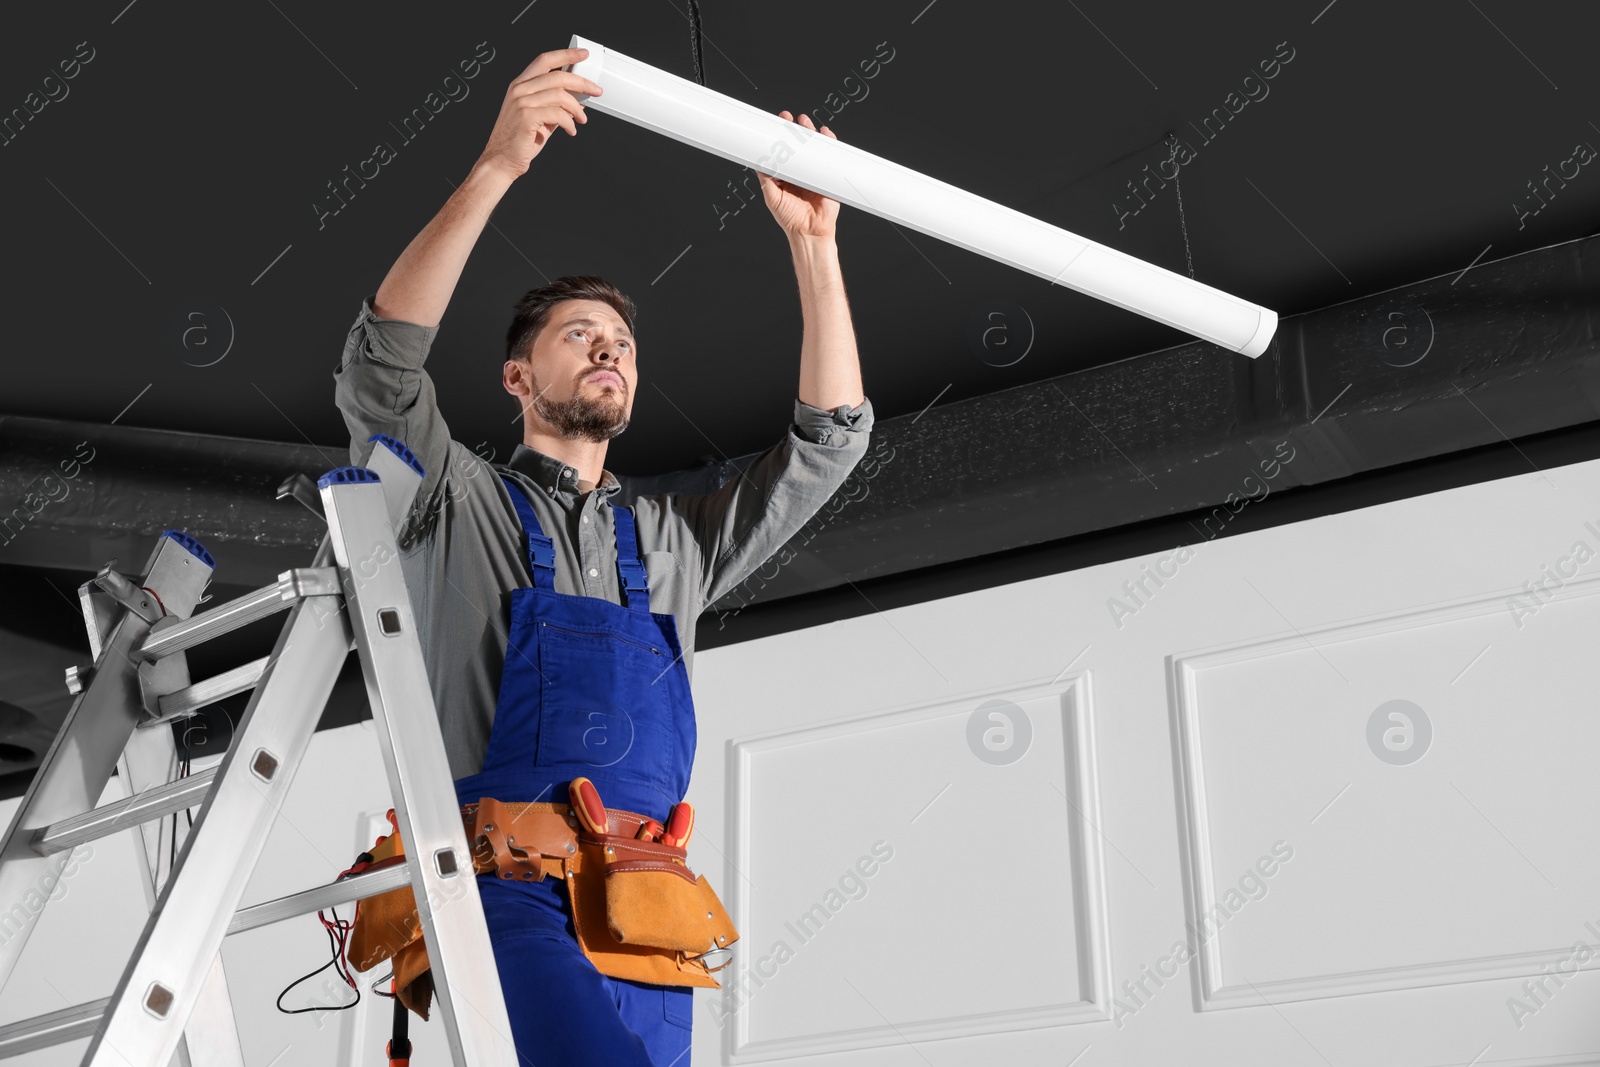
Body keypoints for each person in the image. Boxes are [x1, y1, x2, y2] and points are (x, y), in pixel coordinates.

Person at [333, 46, 873, 1066]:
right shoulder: (454, 502)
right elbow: (380, 367)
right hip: (503, 890)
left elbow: (829, 443)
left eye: (620, 342)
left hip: (651, 914)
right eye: (580, 335)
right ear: (518, 377)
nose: (608, 349)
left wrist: (813, 242)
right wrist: (496, 165)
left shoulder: (674, 544)